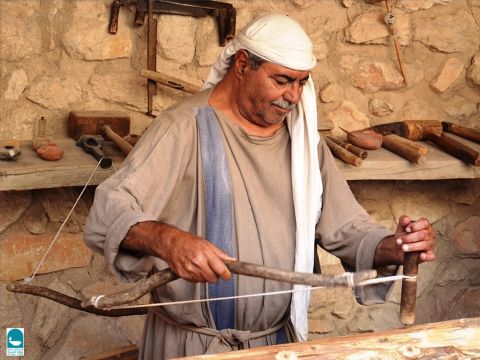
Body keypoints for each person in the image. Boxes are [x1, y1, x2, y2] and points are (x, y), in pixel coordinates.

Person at [84, 13, 435, 360]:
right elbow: (110, 210)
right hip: (193, 346)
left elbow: (345, 228)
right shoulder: (182, 127)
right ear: (241, 65)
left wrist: (396, 246)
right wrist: (168, 240)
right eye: (282, 80)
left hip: (275, 344)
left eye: (301, 83)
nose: (293, 96)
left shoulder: (303, 143)